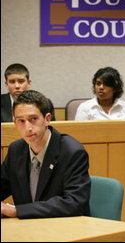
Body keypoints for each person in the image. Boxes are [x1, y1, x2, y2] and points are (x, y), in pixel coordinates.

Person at [1, 90, 90, 218]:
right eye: (21, 121)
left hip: (67, 229)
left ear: (47, 119)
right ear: (15, 123)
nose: (28, 128)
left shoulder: (72, 152)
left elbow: (74, 203)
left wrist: (17, 211)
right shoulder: (16, 150)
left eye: (33, 119)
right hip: (28, 230)